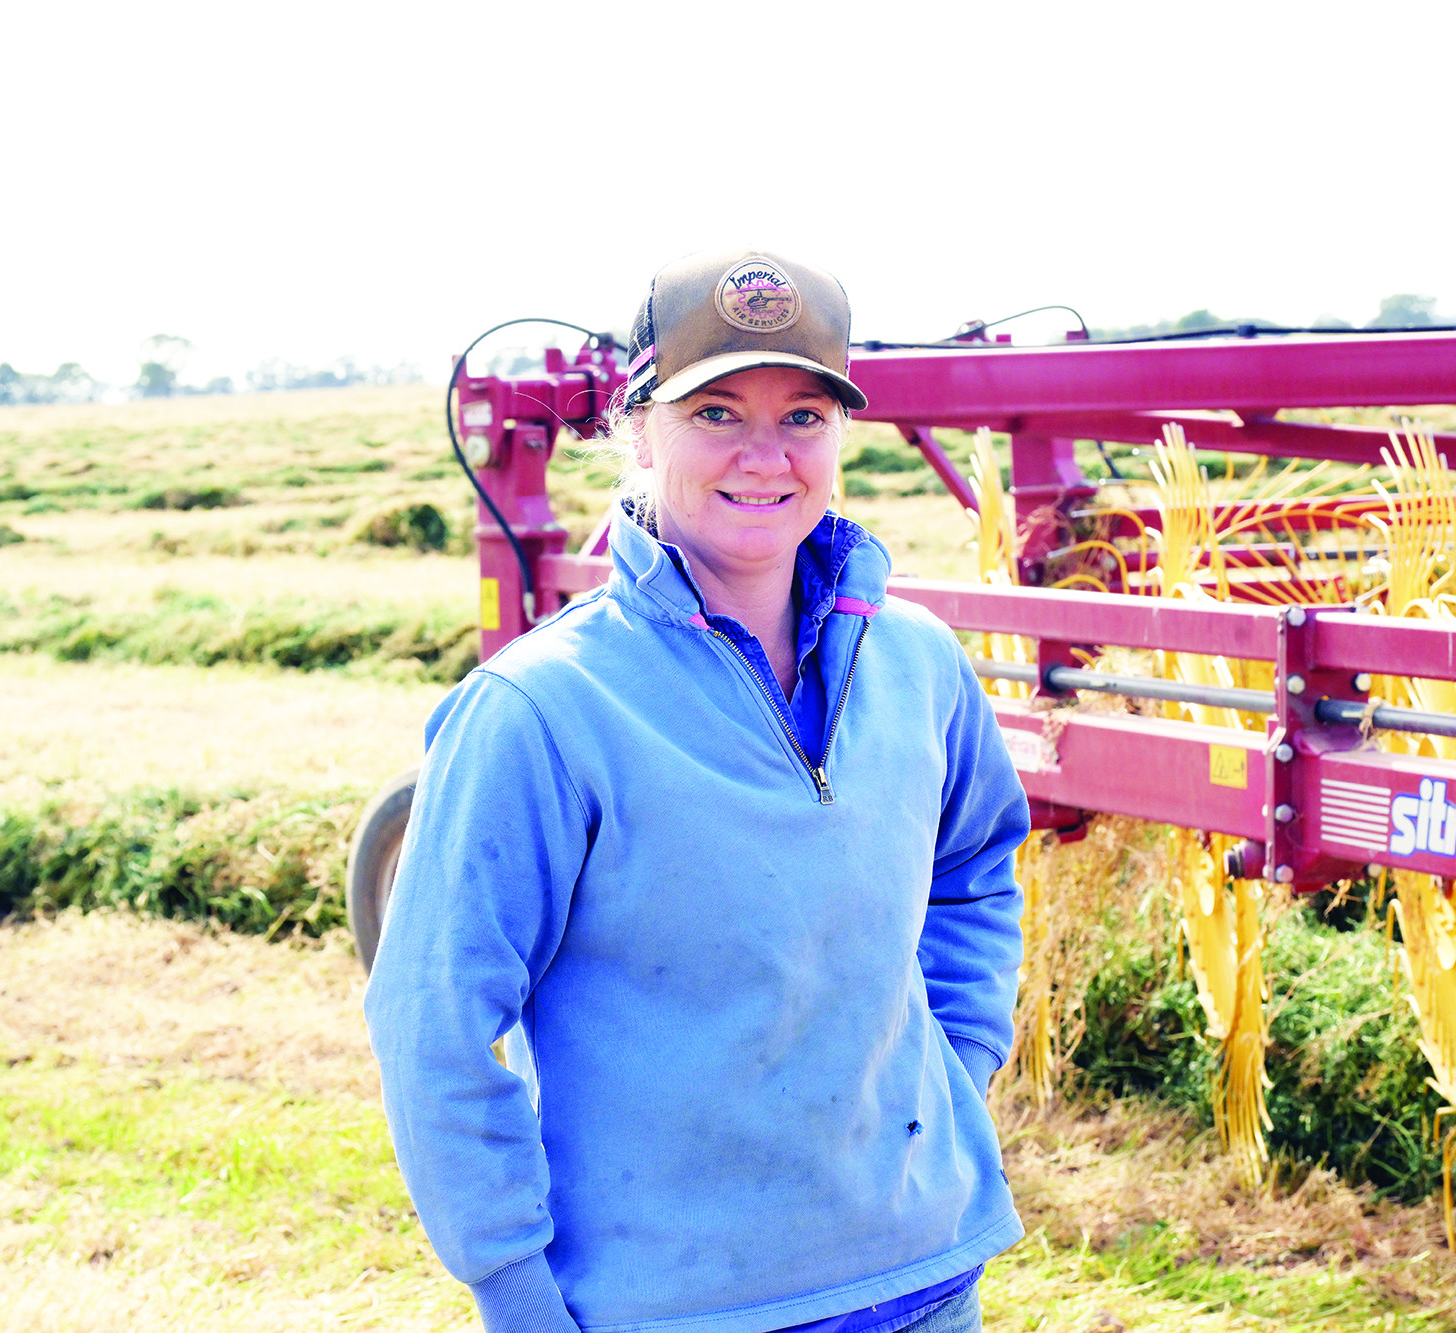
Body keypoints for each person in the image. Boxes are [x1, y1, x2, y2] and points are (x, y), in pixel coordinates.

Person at [365, 247, 1030, 1333]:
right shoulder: (542, 711)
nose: (764, 456)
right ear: (634, 426)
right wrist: (514, 1290)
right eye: (715, 412)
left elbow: (973, 867)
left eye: (803, 416)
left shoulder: (914, 661)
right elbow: (431, 1021)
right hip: (673, 1305)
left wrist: (955, 1064)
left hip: (919, 1277)